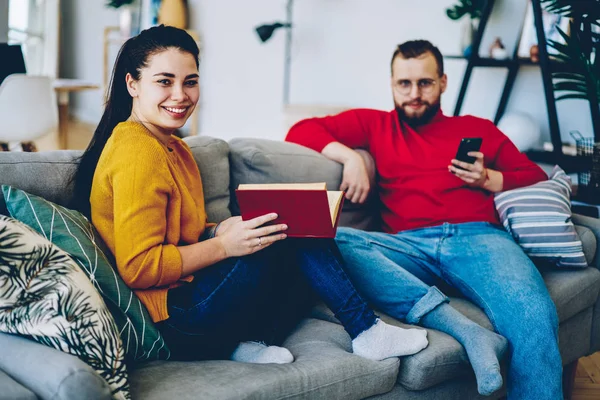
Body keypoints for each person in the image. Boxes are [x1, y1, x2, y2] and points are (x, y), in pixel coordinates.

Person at [71, 25, 430, 365]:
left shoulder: (173, 148)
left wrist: (222, 229)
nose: (180, 95)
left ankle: (250, 341)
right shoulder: (138, 151)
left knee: (284, 227)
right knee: (292, 232)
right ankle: (366, 331)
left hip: (187, 298)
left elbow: (182, 230)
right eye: (164, 82)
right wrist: (225, 247)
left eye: (190, 82)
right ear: (132, 84)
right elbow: (138, 268)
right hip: (169, 319)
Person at [286, 40, 560, 399]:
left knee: (534, 316)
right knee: (336, 239)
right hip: (407, 245)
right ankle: (467, 331)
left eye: (425, 83)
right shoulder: (375, 125)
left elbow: (534, 175)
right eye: (405, 84)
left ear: (443, 82)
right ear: (392, 84)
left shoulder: (476, 128)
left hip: (479, 239)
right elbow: (301, 130)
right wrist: (351, 158)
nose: (414, 94)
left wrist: (486, 178)